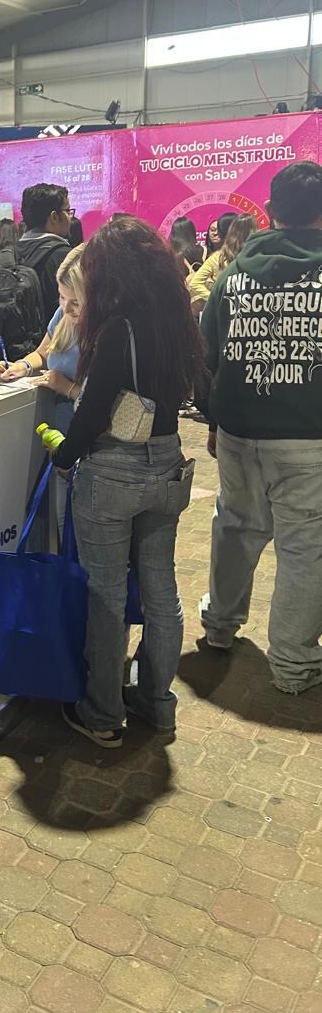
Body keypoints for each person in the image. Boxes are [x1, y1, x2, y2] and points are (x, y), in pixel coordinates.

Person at [43, 216, 204, 746]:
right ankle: (157, 702)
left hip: (113, 471)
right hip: (168, 463)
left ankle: (102, 713)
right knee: (161, 588)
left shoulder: (117, 330)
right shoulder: (176, 319)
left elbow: (91, 415)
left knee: (107, 594)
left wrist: (65, 456)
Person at [200, 161, 322, 694]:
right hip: (309, 439)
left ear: (270, 213)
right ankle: (293, 664)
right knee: (304, 547)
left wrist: (213, 417)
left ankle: (220, 628)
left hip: (238, 430)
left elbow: (207, 356)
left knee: (236, 528)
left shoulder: (232, 277)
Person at [0, 244, 85, 432]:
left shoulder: (109, 331)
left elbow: (107, 403)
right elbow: (43, 354)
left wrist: (66, 387)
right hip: (59, 416)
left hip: (87, 427)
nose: (66, 308)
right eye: (61, 297)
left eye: (75, 302)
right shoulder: (63, 315)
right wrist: (22, 367)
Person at [15, 183, 72, 317]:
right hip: (52, 336)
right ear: (54, 217)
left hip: (18, 336)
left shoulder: (10, 252)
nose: (71, 218)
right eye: (68, 211)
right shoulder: (63, 255)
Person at [187, 214, 256, 314]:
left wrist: (216, 299)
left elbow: (195, 283)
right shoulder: (255, 254)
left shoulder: (217, 257)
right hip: (250, 307)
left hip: (226, 311)